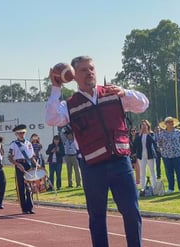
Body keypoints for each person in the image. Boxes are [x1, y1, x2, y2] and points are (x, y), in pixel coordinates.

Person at [46, 56, 148, 247]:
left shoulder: (113, 93)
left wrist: (125, 92)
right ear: (74, 76)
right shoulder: (69, 104)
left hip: (120, 162)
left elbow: (143, 104)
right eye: (84, 70)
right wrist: (56, 88)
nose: (89, 72)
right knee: (97, 217)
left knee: (131, 211)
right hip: (92, 166)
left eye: (91, 68)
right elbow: (51, 119)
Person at [8, 124, 40, 214]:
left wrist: (37, 164)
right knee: (21, 187)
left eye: (23, 133)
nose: (22, 135)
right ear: (16, 134)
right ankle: (24, 208)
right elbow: (10, 157)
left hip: (28, 165)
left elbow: (31, 157)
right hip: (19, 165)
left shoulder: (28, 143)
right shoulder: (14, 144)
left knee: (30, 187)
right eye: (20, 133)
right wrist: (17, 164)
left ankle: (30, 207)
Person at [158, 117, 180, 193]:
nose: (171, 123)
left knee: (179, 172)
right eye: (169, 122)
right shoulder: (162, 133)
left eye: (172, 122)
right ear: (166, 124)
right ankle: (171, 188)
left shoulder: (178, 132)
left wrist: (178, 149)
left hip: (178, 155)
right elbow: (159, 143)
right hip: (166, 156)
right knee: (169, 172)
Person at [133, 120, 157, 196]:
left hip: (150, 155)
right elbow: (135, 144)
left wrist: (148, 133)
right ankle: (142, 188)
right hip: (141, 156)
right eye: (142, 125)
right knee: (142, 172)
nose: (143, 126)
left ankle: (154, 187)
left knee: (152, 171)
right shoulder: (138, 135)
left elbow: (154, 142)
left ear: (148, 126)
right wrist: (140, 134)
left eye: (145, 125)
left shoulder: (151, 134)